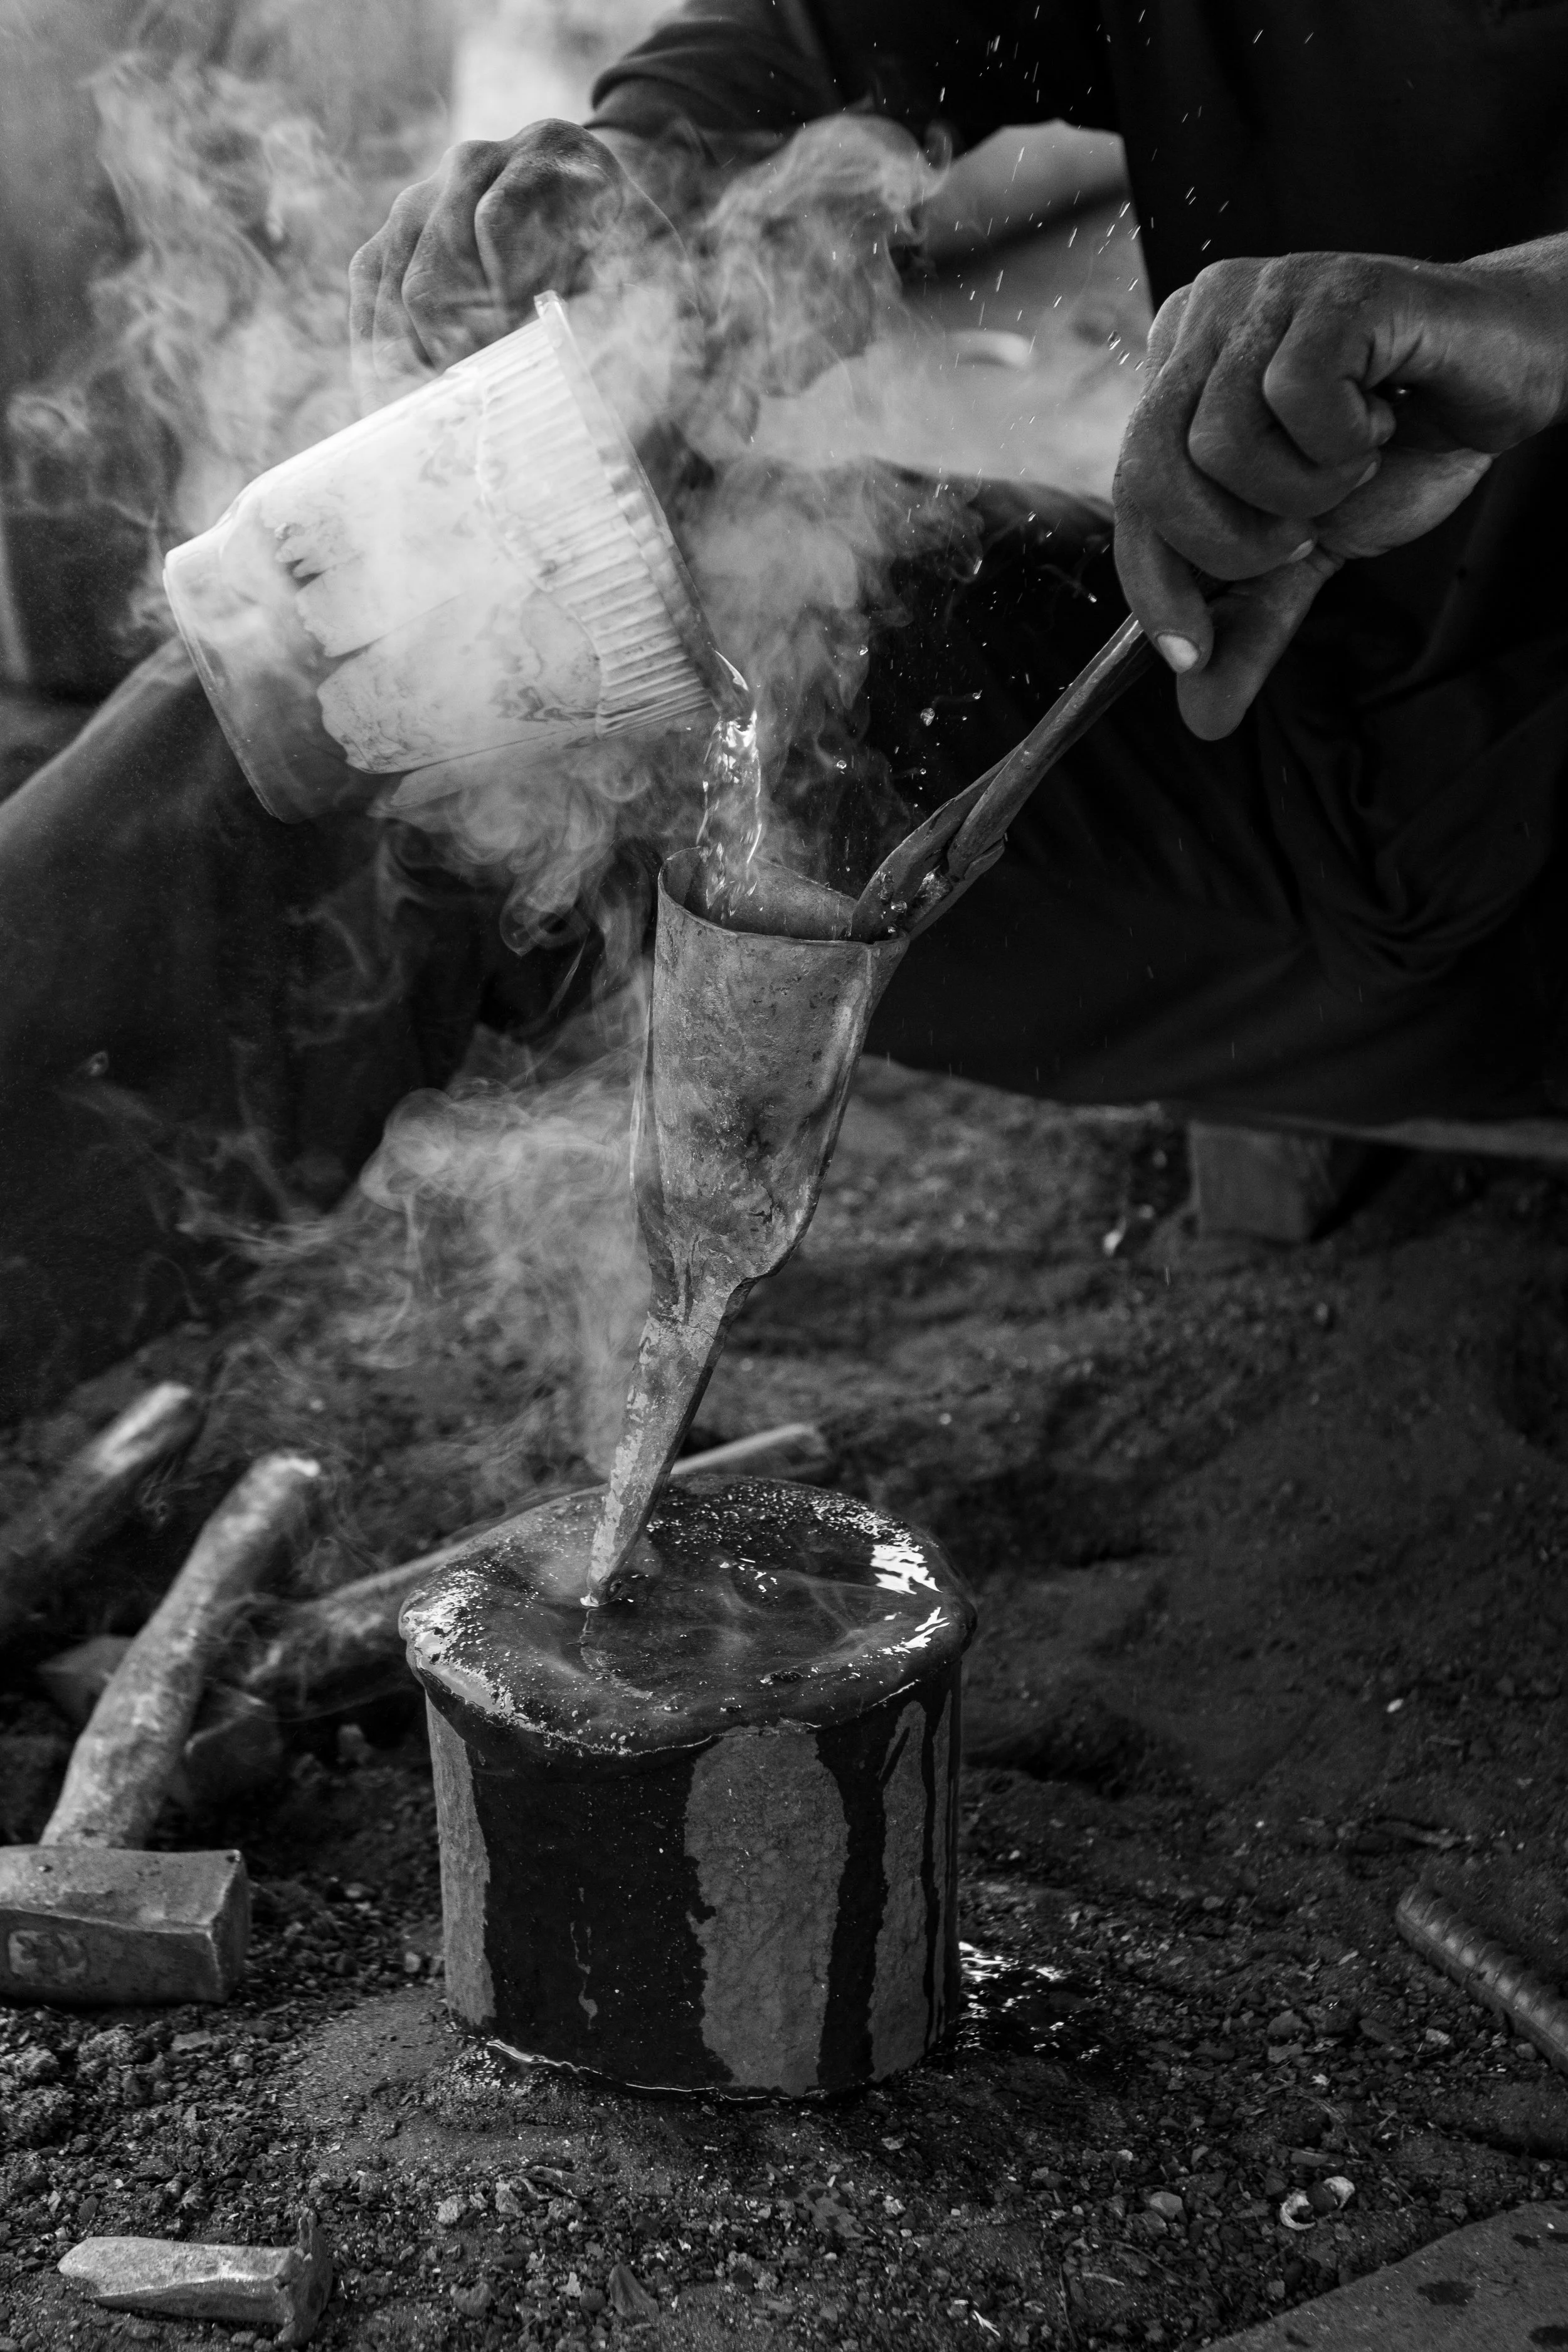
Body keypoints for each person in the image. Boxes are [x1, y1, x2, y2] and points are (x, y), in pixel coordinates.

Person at [5, 0, 1568, 1409]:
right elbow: (848, 21)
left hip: (1509, 857)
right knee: (432, 619)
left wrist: (1526, 313)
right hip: (1289, 645)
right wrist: (645, 158)